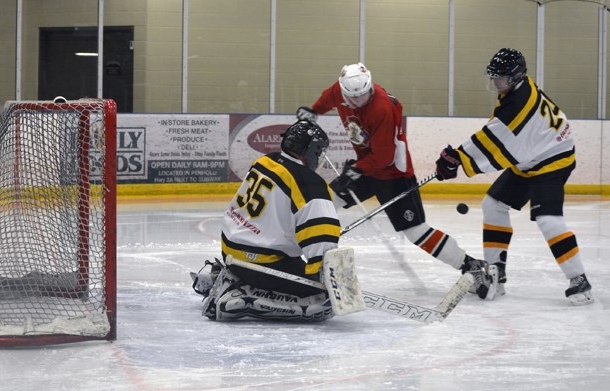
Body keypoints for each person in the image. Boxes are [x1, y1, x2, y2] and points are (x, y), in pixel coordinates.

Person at [296, 62, 492, 298]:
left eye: (363, 95)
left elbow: (384, 157)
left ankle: (471, 265)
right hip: (366, 167)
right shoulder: (342, 90)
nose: (359, 101)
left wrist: (356, 169)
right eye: (353, 97)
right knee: (326, 201)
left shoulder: (381, 108)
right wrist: (314, 111)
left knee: (415, 231)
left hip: (394, 174)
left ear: (369, 85)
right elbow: (329, 97)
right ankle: (311, 260)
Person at [434, 48, 594, 305]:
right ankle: (496, 271)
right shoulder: (517, 89)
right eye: (493, 77)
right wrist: (459, 157)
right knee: (493, 205)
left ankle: (579, 280)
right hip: (532, 157)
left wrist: (459, 158)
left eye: (500, 78)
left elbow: (495, 137)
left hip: (554, 160)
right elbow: (500, 132)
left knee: (548, 220)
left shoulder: (520, 104)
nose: (495, 82)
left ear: (516, 76)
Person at [191, 120, 342, 321]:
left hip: (230, 252)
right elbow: (322, 236)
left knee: (289, 263)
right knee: (323, 300)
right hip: (261, 265)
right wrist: (327, 277)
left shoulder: (265, 160)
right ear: (312, 151)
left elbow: (271, 214)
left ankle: (225, 276)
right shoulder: (309, 182)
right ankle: (242, 299)